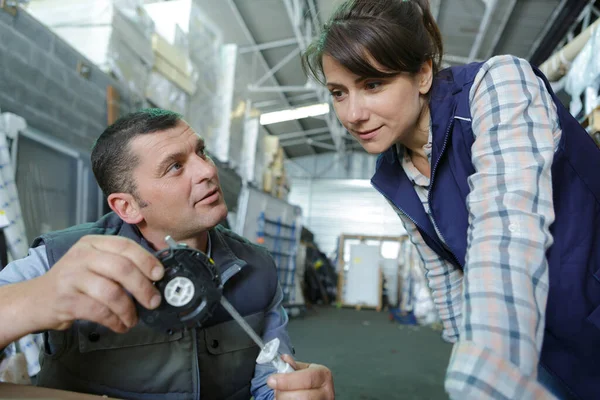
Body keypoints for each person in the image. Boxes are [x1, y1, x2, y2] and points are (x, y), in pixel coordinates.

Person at [302, 0, 600, 399]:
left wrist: (483, 374)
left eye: (373, 84)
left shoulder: (499, 85)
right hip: (542, 349)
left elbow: (506, 234)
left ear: (423, 73)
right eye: (339, 92)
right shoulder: (392, 175)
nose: (353, 113)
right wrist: (465, 348)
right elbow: (447, 280)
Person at [0, 109, 334, 400]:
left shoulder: (258, 269)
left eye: (201, 152)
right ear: (127, 206)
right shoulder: (59, 260)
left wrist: (292, 391)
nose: (207, 171)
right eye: (175, 166)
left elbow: (269, 383)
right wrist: (31, 300)